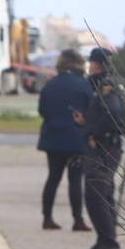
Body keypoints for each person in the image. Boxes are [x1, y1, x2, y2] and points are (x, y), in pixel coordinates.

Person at [73, 47, 125, 249]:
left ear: (98, 63)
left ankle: (109, 243)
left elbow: (112, 113)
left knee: (96, 196)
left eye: (92, 62)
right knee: (102, 195)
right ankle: (103, 240)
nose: (90, 65)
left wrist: (94, 132)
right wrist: (86, 122)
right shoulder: (106, 83)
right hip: (107, 146)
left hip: (104, 148)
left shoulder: (106, 86)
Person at [36, 49, 90, 231]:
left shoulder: (50, 85)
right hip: (76, 139)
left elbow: (42, 111)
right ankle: (78, 220)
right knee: (75, 180)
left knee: (53, 178)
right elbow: (90, 110)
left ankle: (47, 218)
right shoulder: (83, 85)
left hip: (52, 137)